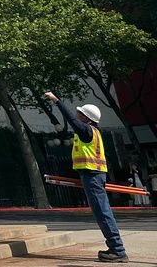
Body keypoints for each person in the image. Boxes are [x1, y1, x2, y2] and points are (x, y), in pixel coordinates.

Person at [44, 92, 128, 262]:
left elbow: (72, 121)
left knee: (102, 213)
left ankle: (118, 250)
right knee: (102, 211)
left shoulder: (87, 130)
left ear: (87, 118)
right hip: (93, 175)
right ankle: (116, 248)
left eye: (80, 114)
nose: (77, 116)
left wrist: (57, 101)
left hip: (92, 176)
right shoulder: (92, 132)